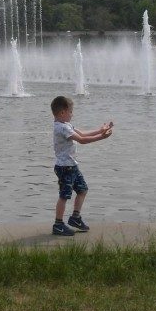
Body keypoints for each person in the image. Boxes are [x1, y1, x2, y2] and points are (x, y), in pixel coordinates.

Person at [51, 95, 114, 236]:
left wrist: (100, 130)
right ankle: (58, 224)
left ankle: (75, 218)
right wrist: (102, 137)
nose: (72, 114)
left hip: (72, 166)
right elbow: (82, 140)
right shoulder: (61, 128)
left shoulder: (66, 125)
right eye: (71, 112)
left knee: (82, 190)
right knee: (64, 195)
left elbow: (82, 133)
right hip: (65, 167)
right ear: (62, 113)